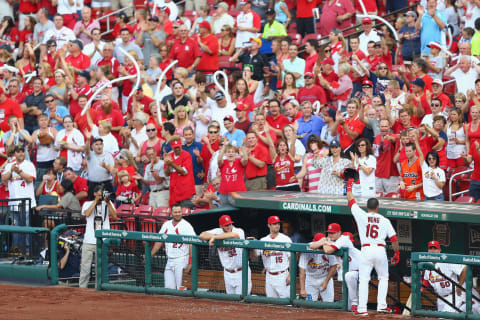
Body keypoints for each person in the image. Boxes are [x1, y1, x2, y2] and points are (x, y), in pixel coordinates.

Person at [345, 179, 400, 316]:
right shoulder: (384, 219)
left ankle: (362, 309)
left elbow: (351, 201)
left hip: (366, 249)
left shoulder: (361, 215)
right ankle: (382, 305)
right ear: (377, 207)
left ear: (367, 207)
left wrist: (349, 185)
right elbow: (393, 238)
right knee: (383, 278)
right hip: (380, 249)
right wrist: (397, 252)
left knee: (364, 279)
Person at [312, 224, 363, 312]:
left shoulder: (344, 239)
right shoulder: (330, 240)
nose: (330, 235)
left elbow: (327, 250)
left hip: (359, 272)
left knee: (349, 276)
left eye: (333, 233)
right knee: (347, 307)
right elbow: (312, 246)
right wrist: (324, 242)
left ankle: (355, 302)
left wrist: (324, 243)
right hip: (348, 274)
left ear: (339, 233)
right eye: (329, 233)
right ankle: (353, 305)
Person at [199, 215, 252, 295]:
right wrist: (215, 236)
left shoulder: (239, 231)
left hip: (241, 271)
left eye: (230, 224)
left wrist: (214, 238)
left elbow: (234, 235)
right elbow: (202, 235)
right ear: (221, 226)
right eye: (226, 225)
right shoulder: (218, 231)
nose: (229, 226)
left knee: (242, 300)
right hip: (227, 272)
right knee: (230, 300)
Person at [79, 184, 117, 288]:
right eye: (100, 193)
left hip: (103, 241)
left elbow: (115, 216)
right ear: (95, 193)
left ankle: (99, 288)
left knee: (100, 268)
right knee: (85, 268)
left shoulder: (109, 204)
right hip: (89, 240)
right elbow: (87, 214)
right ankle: (82, 288)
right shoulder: (87, 203)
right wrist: (96, 201)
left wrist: (108, 202)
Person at [151, 204, 196, 290]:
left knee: (182, 288)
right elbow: (159, 241)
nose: (178, 214)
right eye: (175, 212)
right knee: (168, 288)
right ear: (171, 213)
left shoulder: (186, 225)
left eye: (179, 212)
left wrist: (190, 262)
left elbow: (192, 244)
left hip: (182, 259)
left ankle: (183, 304)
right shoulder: (166, 224)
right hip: (170, 260)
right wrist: (151, 255)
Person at [422, 240, 468, 313]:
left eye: (435, 248)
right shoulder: (428, 264)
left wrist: (460, 285)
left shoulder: (446, 260)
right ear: (428, 250)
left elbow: (465, 269)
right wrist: (421, 289)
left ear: (439, 250)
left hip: (453, 296)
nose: (432, 251)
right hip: (440, 298)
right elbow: (426, 281)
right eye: (430, 248)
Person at [251, 216, 291, 298]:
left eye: (278, 224)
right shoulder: (263, 240)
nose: (277, 226)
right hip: (269, 276)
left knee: (287, 303)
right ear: (269, 225)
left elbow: (291, 259)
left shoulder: (285, 239)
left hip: (282, 275)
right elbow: (254, 256)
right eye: (274, 224)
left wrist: (290, 275)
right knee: (271, 303)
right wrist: (253, 246)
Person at [298, 233, 338, 301]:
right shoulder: (307, 249)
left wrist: (326, 282)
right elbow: (302, 270)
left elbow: (334, 266)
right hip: (310, 278)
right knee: (310, 304)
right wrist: (302, 289)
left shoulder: (328, 248)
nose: (319, 248)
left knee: (329, 303)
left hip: (324, 276)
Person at [164, 136, 196, 208]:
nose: (177, 149)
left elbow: (184, 172)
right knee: (175, 215)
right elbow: (166, 173)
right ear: (172, 147)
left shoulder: (186, 155)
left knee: (187, 215)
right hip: (174, 193)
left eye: (179, 147)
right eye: (175, 147)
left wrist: (172, 163)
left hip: (186, 192)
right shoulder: (169, 156)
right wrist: (167, 165)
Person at [84, 132, 115, 200]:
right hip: (93, 184)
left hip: (106, 183)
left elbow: (112, 170)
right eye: (96, 144)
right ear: (92, 146)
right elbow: (86, 150)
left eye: (100, 144)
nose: (99, 146)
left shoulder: (108, 155)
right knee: (92, 203)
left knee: (108, 203)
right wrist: (88, 139)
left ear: (103, 145)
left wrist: (105, 166)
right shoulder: (90, 155)